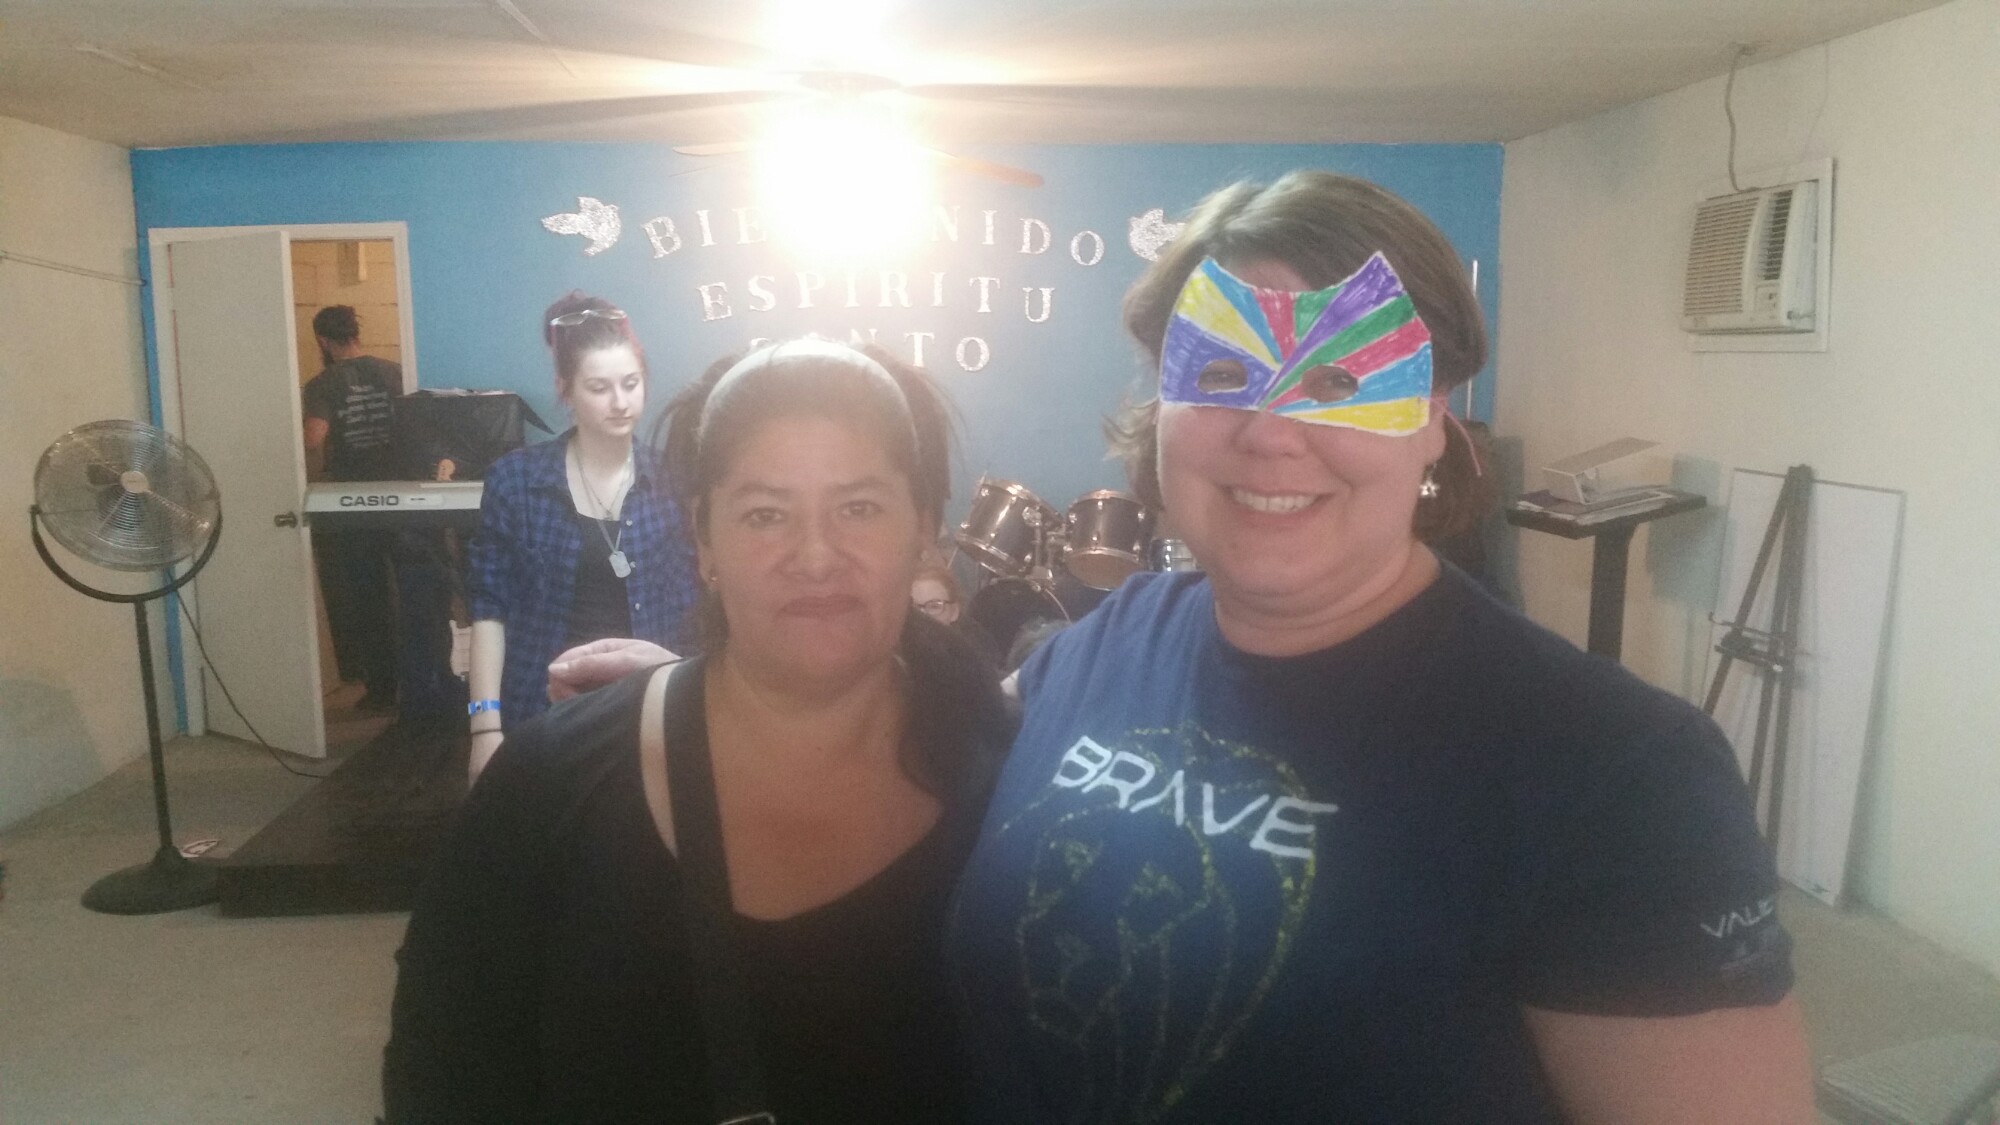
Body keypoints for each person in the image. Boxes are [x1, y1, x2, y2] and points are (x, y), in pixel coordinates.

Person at [945, 171, 1815, 1123]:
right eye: (1224, 374)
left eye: (1340, 381)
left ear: (1434, 417)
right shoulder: (1104, 640)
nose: (1272, 432)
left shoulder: (1616, 773)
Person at [384, 338, 1014, 1124]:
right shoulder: (550, 787)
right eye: (765, 513)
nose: (816, 556)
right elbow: (440, 1082)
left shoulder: (1009, 781)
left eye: (858, 507)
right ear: (705, 541)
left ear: (923, 527)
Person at [463, 292, 700, 779]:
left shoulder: (673, 480)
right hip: (541, 711)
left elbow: (697, 609)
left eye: (631, 384)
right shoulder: (516, 481)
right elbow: (489, 611)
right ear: (565, 389)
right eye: (598, 387)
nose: (620, 402)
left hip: (649, 709)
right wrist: (484, 728)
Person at [302, 304, 401, 711]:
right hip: (400, 497)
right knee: (406, 591)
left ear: (323, 341)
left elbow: (313, 438)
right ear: (356, 334)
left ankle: (381, 688)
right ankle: (419, 681)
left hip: (351, 503)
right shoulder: (394, 372)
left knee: (366, 596)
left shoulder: (323, 384)